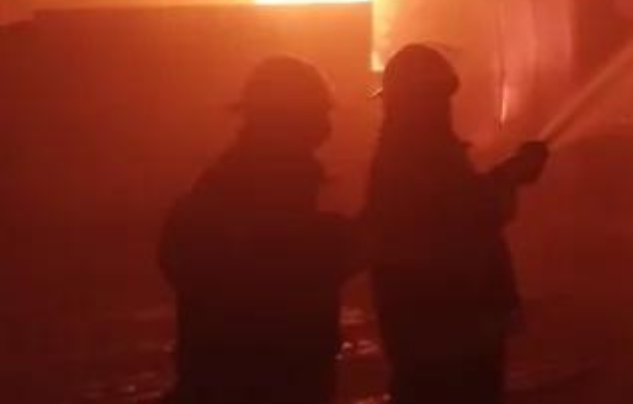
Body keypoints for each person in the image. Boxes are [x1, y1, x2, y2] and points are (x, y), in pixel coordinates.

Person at [159, 56, 358, 404]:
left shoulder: (232, 184)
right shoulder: (249, 188)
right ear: (289, 120)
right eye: (317, 113)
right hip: (259, 381)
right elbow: (282, 266)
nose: (325, 126)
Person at [364, 44, 548, 404]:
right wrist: (509, 177)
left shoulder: (411, 150)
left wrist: (505, 177)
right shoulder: (415, 153)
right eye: (439, 97)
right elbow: (461, 217)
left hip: (434, 329)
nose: (446, 106)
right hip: (449, 331)